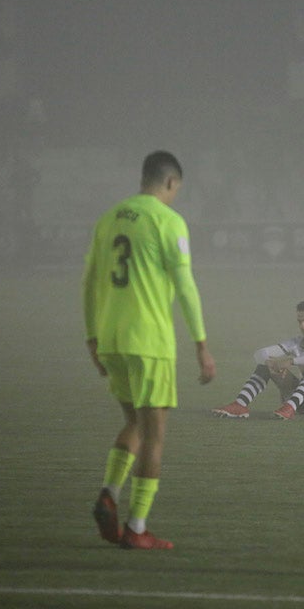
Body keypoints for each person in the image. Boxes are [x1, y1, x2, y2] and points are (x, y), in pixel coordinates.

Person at [83, 150, 216, 550]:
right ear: (171, 183)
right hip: (149, 342)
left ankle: (109, 492)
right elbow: (186, 286)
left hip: (111, 339)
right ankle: (137, 529)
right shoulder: (168, 220)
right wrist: (201, 345)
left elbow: (89, 282)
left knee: (136, 425)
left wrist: (92, 338)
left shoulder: (109, 218)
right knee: (155, 436)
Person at [212, 299, 304, 420]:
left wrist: (290, 361)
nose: (302, 326)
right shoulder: (297, 342)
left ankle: (289, 407)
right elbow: (260, 354)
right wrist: (271, 363)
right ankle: (240, 405)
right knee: (267, 363)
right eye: (299, 322)